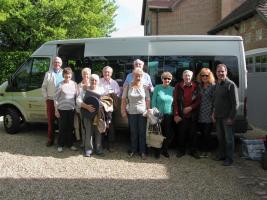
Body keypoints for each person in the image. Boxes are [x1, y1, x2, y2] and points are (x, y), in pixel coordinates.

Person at [212, 64, 239, 166]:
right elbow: (216, 101)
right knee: (221, 138)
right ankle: (222, 155)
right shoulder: (218, 84)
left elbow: (235, 104)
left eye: (222, 71)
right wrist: (214, 113)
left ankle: (229, 158)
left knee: (229, 139)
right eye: (218, 71)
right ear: (216, 73)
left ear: (226, 72)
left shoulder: (230, 85)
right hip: (218, 117)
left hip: (227, 118)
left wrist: (231, 118)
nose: (220, 73)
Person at [121, 68, 150, 160]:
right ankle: (133, 149)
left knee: (142, 132)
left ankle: (142, 151)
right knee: (133, 132)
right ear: (133, 76)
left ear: (142, 76)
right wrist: (123, 111)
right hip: (131, 112)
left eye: (140, 76)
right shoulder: (128, 86)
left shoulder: (145, 86)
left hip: (142, 112)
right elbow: (123, 99)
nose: (138, 77)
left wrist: (148, 110)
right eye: (136, 75)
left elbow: (148, 99)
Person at [173, 70, 201, 159]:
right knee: (181, 134)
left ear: (191, 77)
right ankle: (181, 151)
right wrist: (176, 114)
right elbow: (175, 102)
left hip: (193, 114)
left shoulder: (196, 86)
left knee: (193, 134)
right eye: (185, 75)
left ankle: (193, 151)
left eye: (189, 76)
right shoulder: (178, 86)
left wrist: (190, 108)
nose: (187, 77)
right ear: (182, 76)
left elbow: (199, 100)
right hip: (182, 115)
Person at [76, 74, 105, 157]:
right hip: (87, 114)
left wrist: (100, 104)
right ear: (90, 81)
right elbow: (78, 100)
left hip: (98, 115)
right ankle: (88, 150)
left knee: (98, 131)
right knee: (88, 132)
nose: (94, 82)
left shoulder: (101, 90)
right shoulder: (85, 90)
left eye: (96, 80)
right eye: (92, 80)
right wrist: (87, 106)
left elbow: (106, 100)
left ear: (98, 81)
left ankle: (99, 149)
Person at [41, 56, 64, 147]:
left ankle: (61, 140)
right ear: (52, 63)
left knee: (61, 121)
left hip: (62, 100)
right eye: (55, 62)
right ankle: (50, 139)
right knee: (51, 121)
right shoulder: (48, 74)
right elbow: (43, 87)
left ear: (61, 64)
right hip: (50, 100)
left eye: (58, 62)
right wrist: (46, 97)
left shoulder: (64, 72)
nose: (57, 64)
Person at [54, 67, 78, 152]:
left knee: (70, 128)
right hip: (61, 110)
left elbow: (77, 97)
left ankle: (70, 144)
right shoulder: (60, 85)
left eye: (69, 74)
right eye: (66, 74)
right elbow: (56, 98)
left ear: (71, 75)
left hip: (71, 109)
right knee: (62, 128)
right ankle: (60, 144)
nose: (67, 76)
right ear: (63, 75)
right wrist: (56, 110)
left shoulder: (74, 84)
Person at [151, 72, 174, 158]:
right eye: (165, 78)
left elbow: (174, 102)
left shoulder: (173, 89)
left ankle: (165, 150)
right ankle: (157, 150)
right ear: (162, 79)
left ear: (171, 80)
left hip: (168, 114)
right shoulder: (157, 87)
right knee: (157, 133)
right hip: (158, 114)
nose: (166, 80)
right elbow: (153, 100)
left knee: (167, 133)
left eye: (168, 79)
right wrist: (154, 111)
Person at [99, 66, 121, 149]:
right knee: (101, 124)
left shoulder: (114, 83)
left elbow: (118, 94)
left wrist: (111, 96)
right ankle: (101, 143)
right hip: (101, 108)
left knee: (111, 126)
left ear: (111, 73)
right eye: (105, 72)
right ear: (103, 72)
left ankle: (111, 144)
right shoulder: (99, 82)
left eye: (108, 72)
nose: (106, 73)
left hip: (111, 108)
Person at [196, 68, 215, 157]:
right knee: (202, 133)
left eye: (206, 75)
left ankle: (207, 151)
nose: (204, 77)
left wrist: (213, 113)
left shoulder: (213, 86)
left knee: (207, 133)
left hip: (209, 114)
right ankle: (203, 150)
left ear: (209, 76)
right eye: (202, 75)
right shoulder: (199, 86)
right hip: (200, 113)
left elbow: (215, 101)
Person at [74, 67, 91, 147]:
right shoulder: (78, 85)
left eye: (87, 74)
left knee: (91, 126)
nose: (86, 76)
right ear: (82, 75)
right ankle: (83, 142)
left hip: (91, 109)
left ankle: (90, 143)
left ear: (89, 75)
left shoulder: (92, 84)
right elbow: (77, 98)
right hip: (81, 109)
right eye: (84, 74)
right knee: (83, 126)